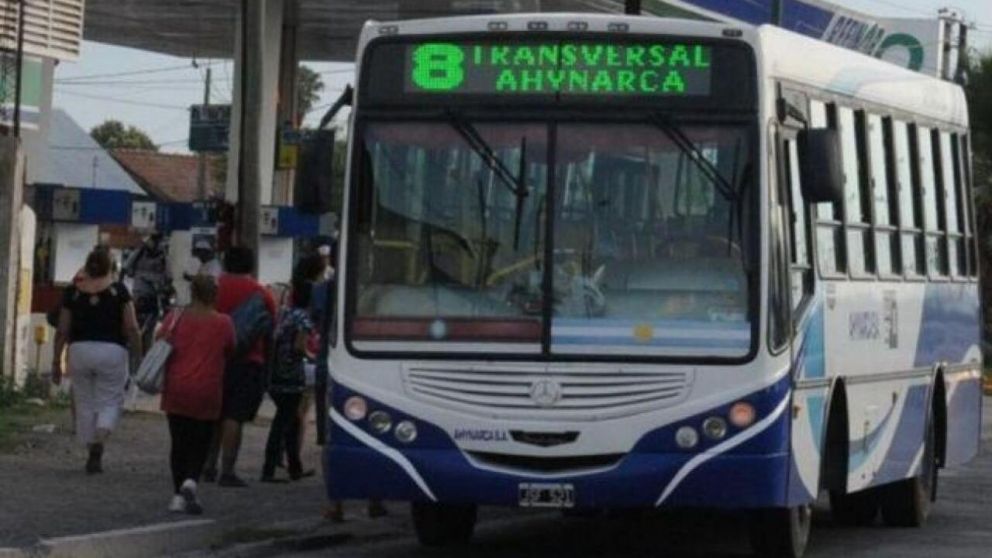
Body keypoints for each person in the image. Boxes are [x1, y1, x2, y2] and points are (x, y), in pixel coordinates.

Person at [52, 248, 142, 473]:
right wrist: (137, 358)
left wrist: (56, 360)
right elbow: (131, 327)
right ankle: (100, 439)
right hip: (112, 351)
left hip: (79, 350)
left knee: (84, 400)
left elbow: (62, 330)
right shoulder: (119, 290)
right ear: (110, 267)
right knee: (110, 399)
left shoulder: (73, 291)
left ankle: (91, 444)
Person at [160, 275, 235, 514]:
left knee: (179, 443)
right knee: (201, 441)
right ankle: (192, 480)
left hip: (177, 388)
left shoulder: (176, 318)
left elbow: (159, 339)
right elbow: (232, 348)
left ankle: (176, 496)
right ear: (214, 294)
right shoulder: (224, 323)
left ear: (192, 292)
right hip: (207, 390)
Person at [203, 246, 277, 487]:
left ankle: (208, 465)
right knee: (234, 415)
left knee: (214, 413)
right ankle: (228, 470)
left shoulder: (213, 288)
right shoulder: (262, 293)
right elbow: (270, 331)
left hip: (214, 358)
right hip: (248, 361)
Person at [262, 277, 317, 482]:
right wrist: (313, 358)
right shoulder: (303, 318)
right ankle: (269, 469)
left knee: (290, 420)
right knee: (285, 422)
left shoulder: (285, 314)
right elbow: (299, 347)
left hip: (276, 373)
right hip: (291, 376)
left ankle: (294, 466)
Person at [123, 234, 173, 352]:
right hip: (139, 296)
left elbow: (169, 277)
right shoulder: (139, 253)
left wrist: (162, 290)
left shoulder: (163, 257)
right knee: (135, 328)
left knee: (148, 333)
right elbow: (127, 269)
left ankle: (143, 355)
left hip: (153, 298)